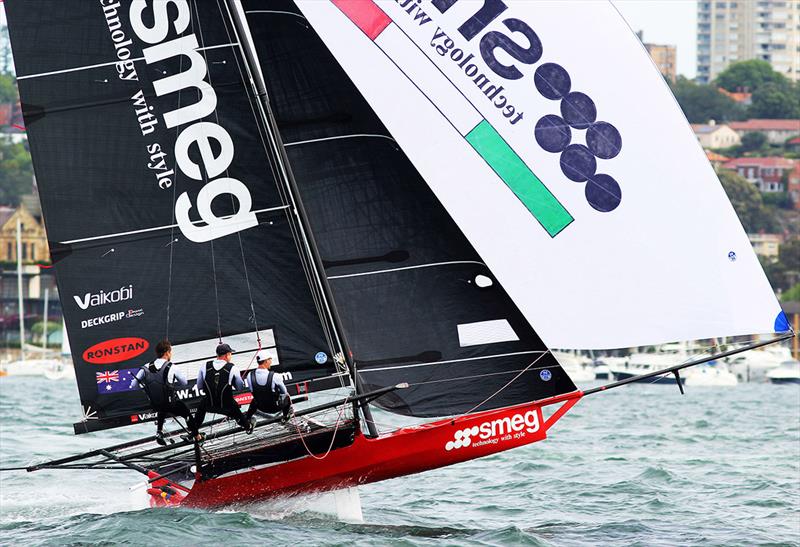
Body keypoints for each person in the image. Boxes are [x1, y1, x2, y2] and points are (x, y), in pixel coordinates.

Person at [131, 340, 199, 446]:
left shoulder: (145, 367)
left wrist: (145, 389)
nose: (171, 354)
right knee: (185, 412)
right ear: (167, 352)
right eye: (170, 352)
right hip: (170, 404)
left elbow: (133, 385)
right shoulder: (172, 367)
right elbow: (184, 383)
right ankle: (195, 435)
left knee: (161, 408)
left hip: (155, 404)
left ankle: (159, 432)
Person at [194, 343, 254, 433]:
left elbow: (199, 387)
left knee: (202, 404)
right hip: (227, 407)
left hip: (210, 405)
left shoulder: (205, 366)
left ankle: (194, 432)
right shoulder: (233, 368)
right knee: (235, 408)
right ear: (227, 355)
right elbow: (240, 388)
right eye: (231, 354)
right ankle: (247, 426)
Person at [245, 351, 292, 422]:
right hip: (275, 408)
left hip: (260, 407)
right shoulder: (275, 376)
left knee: (254, 399)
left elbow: (252, 391)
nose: (271, 362)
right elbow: (284, 392)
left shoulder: (249, 375)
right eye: (270, 359)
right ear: (266, 361)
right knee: (287, 397)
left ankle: (248, 418)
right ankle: (285, 416)